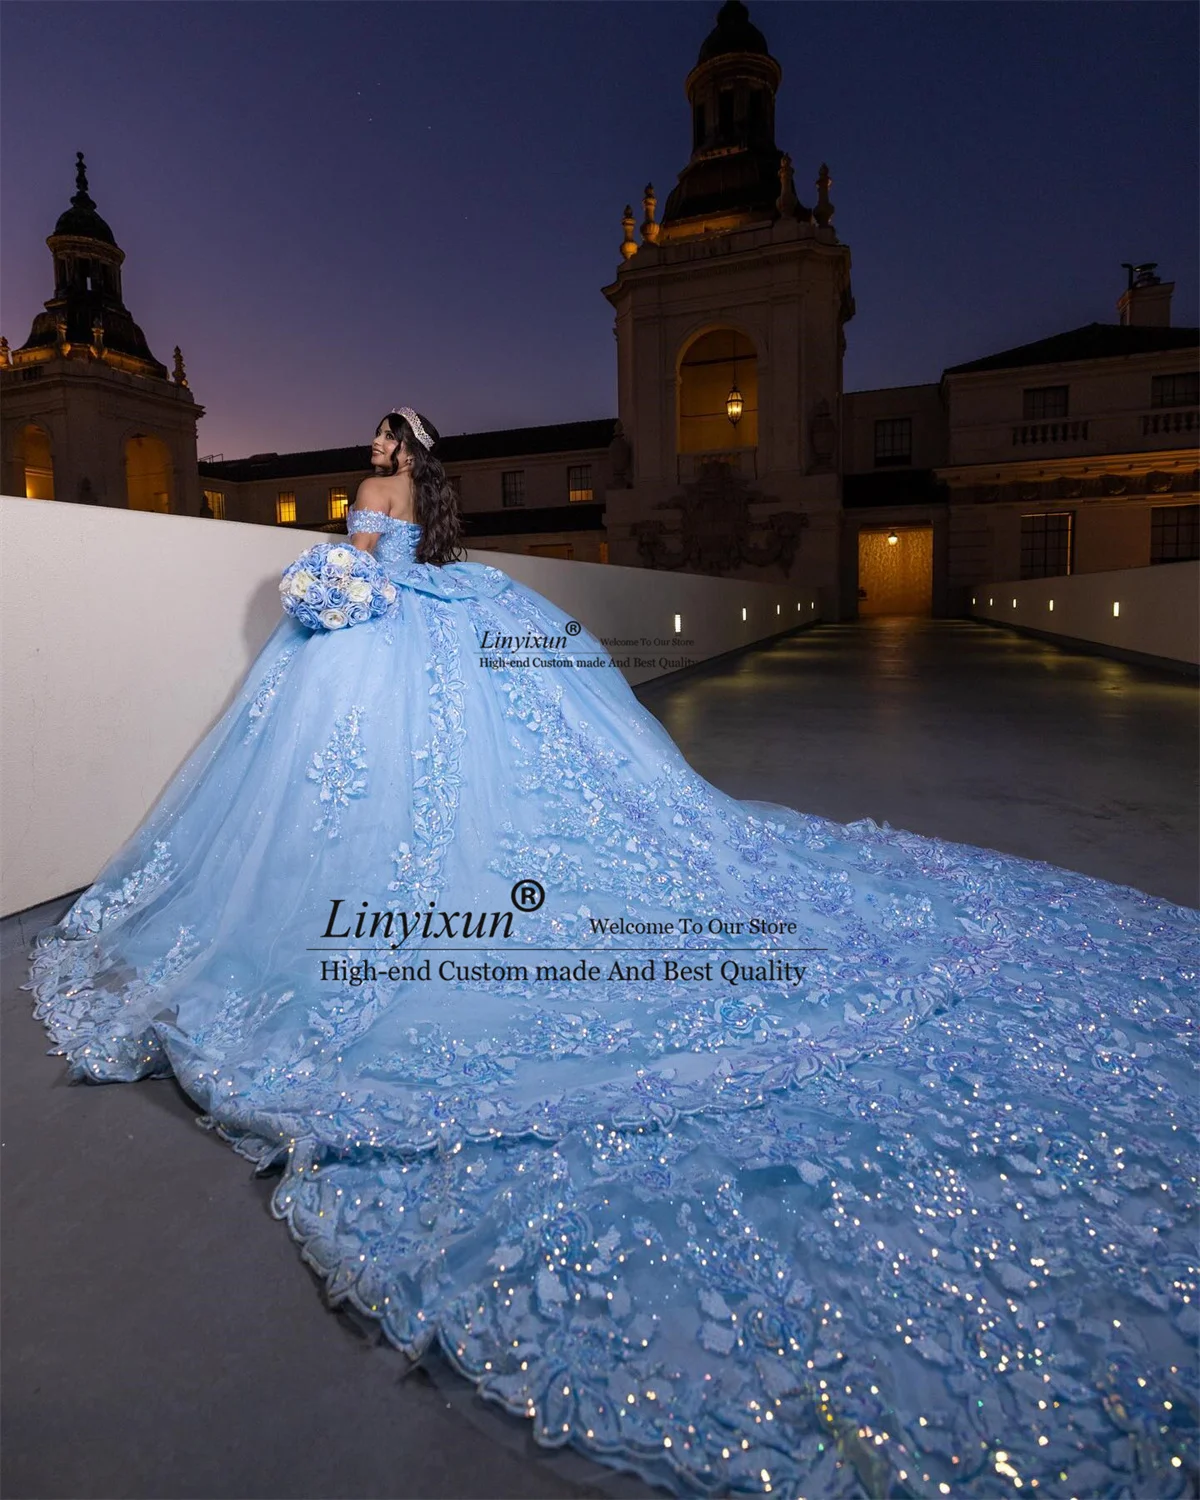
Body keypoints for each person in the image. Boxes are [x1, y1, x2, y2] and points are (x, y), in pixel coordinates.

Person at [25, 406, 1197, 1500]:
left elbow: (369, 569)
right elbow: (356, 573)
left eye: (391, 441)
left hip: (400, 627)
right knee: (370, 811)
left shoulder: (391, 507)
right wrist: (341, 577)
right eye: (378, 439)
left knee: (494, 813)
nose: (376, 449)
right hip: (382, 637)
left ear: (411, 458)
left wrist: (346, 576)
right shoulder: (372, 497)